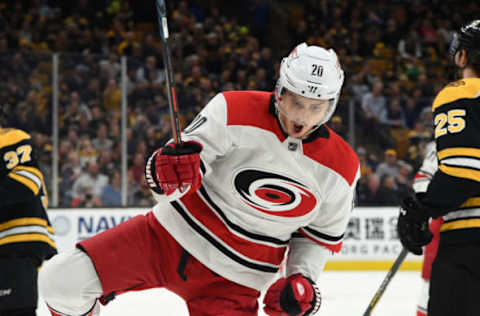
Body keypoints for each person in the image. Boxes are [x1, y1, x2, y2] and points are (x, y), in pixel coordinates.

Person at [39, 42, 360, 316]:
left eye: (315, 108)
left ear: (330, 106)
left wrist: (301, 280)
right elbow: (171, 179)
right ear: (280, 90)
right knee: (61, 281)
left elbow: (316, 236)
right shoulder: (233, 108)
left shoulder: (342, 167)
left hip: (238, 280)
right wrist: (162, 171)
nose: (302, 117)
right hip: (164, 238)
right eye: (296, 102)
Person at [397, 20, 480, 316]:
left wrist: (421, 209)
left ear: (461, 56)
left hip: (470, 243)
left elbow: (463, 171)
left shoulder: (463, 92)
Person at [0, 105, 57, 316]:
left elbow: (27, 182)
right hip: (11, 243)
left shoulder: (11, 138)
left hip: (17, 239)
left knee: (15, 311)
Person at [410, 142, 442, 316]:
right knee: (431, 283)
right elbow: (423, 178)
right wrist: (423, 206)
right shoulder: (447, 141)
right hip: (446, 224)